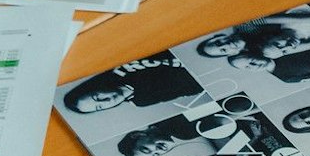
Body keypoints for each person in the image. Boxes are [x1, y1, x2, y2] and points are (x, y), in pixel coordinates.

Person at [63, 54, 204, 114]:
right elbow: (185, 90)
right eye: (100, 107)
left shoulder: (122, 69)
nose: (107, 100)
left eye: (96, 97)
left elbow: (166, 56)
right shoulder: (141, 101)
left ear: (94, 87)